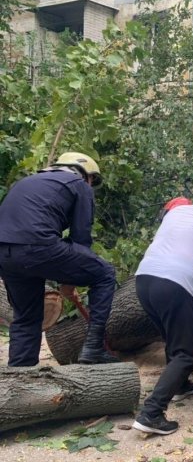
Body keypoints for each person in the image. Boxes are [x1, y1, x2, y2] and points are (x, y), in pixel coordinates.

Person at [0, 152, 117, 367]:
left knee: (27, 317)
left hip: (5, 254)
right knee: (105, 274)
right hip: (38, 246)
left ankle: (19, 377)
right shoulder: (78, 184)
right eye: (92, 181)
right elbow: (81, 238)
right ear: (86, 174)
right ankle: (93, 348)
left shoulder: (26, 182)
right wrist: (69, 282)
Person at [131, 185, 193, 435]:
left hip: (143, 279)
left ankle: (180, 385)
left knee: (172, 334)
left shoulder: (176, 213)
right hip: (177, 285)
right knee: (187, 353)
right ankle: (151, 413)